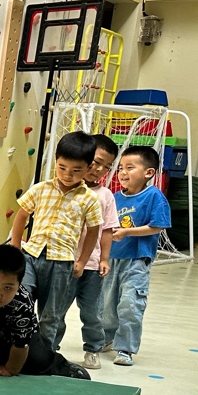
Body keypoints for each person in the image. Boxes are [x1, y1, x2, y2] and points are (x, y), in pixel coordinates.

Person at [9, 131, 103, 350]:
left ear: (88, 168)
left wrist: (82, 261)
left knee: (51, 313)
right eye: (62, 167)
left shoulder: (89, 199)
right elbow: (21, 216)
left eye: (76, 170)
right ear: (56, 162)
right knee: (20, 300)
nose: (67, 175)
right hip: (31, 256)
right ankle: (16, 349)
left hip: (62, 263)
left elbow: (93, 231)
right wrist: (15, 247)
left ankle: (44, 354)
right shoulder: (41, 189)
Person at [0, 244, 88, 379]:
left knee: (38, 360)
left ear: (19, 284)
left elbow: (21, 344)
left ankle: (62, 366)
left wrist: (10, 369)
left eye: (8, 288)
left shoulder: (22, 302)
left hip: (14, 338)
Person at [103, 145, 171, 366]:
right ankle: (106, 337)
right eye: (120, 168)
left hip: (136, 261)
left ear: (148, 173)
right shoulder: (114, 198)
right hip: (112, 259)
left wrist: (127, 232)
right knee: (107, 303)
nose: (123, 172)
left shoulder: (153, 196)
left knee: (130, 304)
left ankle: (125, 349)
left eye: (130, 168)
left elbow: (157, 226)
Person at [57, 134, 120, 371]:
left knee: (92, 312)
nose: (99, 169)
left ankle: (93, 349)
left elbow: (107, 230)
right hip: (63, 261)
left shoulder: (105, 196)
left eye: (107, 166)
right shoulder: (62, 189)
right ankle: (50, 348)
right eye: (96, 162)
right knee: (55, 310)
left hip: (92, 266)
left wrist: (104, 259)